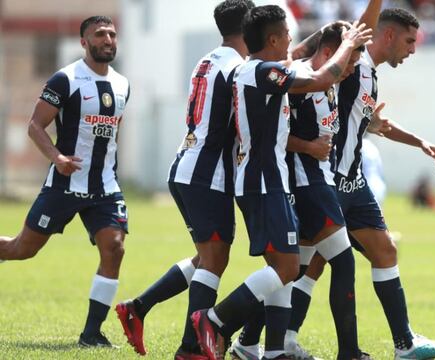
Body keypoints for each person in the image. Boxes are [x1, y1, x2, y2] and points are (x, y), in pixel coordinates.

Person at [190, 5, 372, 360]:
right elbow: (321, 78)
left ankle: (272, 350)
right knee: (287, 269)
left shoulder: (255, 69)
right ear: (272, 40)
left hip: (268, 181)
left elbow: (300, 57)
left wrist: (326, 37)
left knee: (285, 268)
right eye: (286, 34)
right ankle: (214, 321)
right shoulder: (262, 72)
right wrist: (348, 43)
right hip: (264, 181)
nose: (292, 40)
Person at [285, 7, 435, 360]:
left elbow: (374, 124)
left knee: (383, 252)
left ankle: (404, 343)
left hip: (353, 181)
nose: (412, 49)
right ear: (387, 35)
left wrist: (419, 142)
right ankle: (264, 337)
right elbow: (362, 24)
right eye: (409, 41)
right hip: (328, 180)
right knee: (306, 265)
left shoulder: (370, 75)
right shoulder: (354, 63)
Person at [114, 1, 255, 358]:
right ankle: (191, 348)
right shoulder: (240, 69)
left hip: (186, 166)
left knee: (205, 257)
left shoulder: (208, 60)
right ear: (250, 25)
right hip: (209, 174)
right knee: (214, 259)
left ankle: (138, 307)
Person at [0, 16, 130, 348]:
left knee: (114, 248)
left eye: (112, 34)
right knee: (21, 249)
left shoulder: (122, 84)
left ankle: (92, 335)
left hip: (104, 187)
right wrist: (57, 158)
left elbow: (109, 134)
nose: (108, 39)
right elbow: (35, 126)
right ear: (84, 42)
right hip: (64, 185)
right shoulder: (66, 79)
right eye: (100, 35)